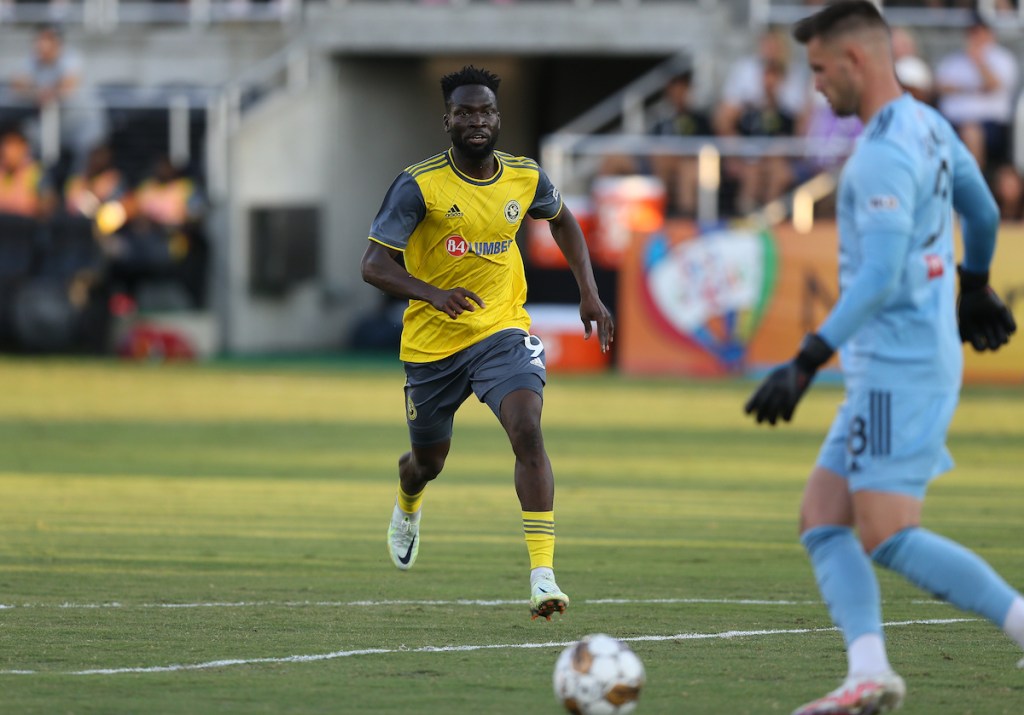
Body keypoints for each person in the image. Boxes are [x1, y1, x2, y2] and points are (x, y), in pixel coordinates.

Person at [743, 4, 1020, 715]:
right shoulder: (929, 125)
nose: (815, 86)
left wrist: (805, 360)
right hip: (897, 365)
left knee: (889, 533)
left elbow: (882, 274)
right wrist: (975, 282)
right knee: (822, 519)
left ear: (856, 62)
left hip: (898, 367)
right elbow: (982, 209)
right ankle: (869, 672)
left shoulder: (880, 156)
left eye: (820, 69)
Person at [360, 65, 613, 621]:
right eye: (466, 112)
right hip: (432, 345)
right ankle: (408, 502)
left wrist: (588, 292)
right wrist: (432, 293)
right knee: (427, 460)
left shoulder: (524, 176)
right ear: (447, 119)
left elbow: (564, 221)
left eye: (487, 112)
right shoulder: (418, 184)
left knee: (527, 426)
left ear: (498, 118)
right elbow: (373, 264)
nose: (477, 121)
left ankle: (543, 577)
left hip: (501, 329)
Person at [10, 25, 108, 171]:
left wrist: (44, 91)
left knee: (84, 158)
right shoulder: (33, 60)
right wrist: (38, 92)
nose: (40, 45)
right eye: (38, 40)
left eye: (45, 40)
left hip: (81, 124)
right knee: (27, 137)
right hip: (50, 124)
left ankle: (77, 188)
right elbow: (16, 84)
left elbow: (67, 84)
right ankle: (39, 187)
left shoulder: (71, 57)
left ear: (57, 43)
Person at [934, 13, 1019, 170]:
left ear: (990, 34)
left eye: (980, 32)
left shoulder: (1002, 59)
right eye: (972, 32)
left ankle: (973, 180)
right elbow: (940, 87)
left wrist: (979, 62)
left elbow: (993, 85)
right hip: (951, 121)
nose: (975, 37)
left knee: (971, 131)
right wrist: (972, 87)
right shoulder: (953, 60)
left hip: (990, 125)